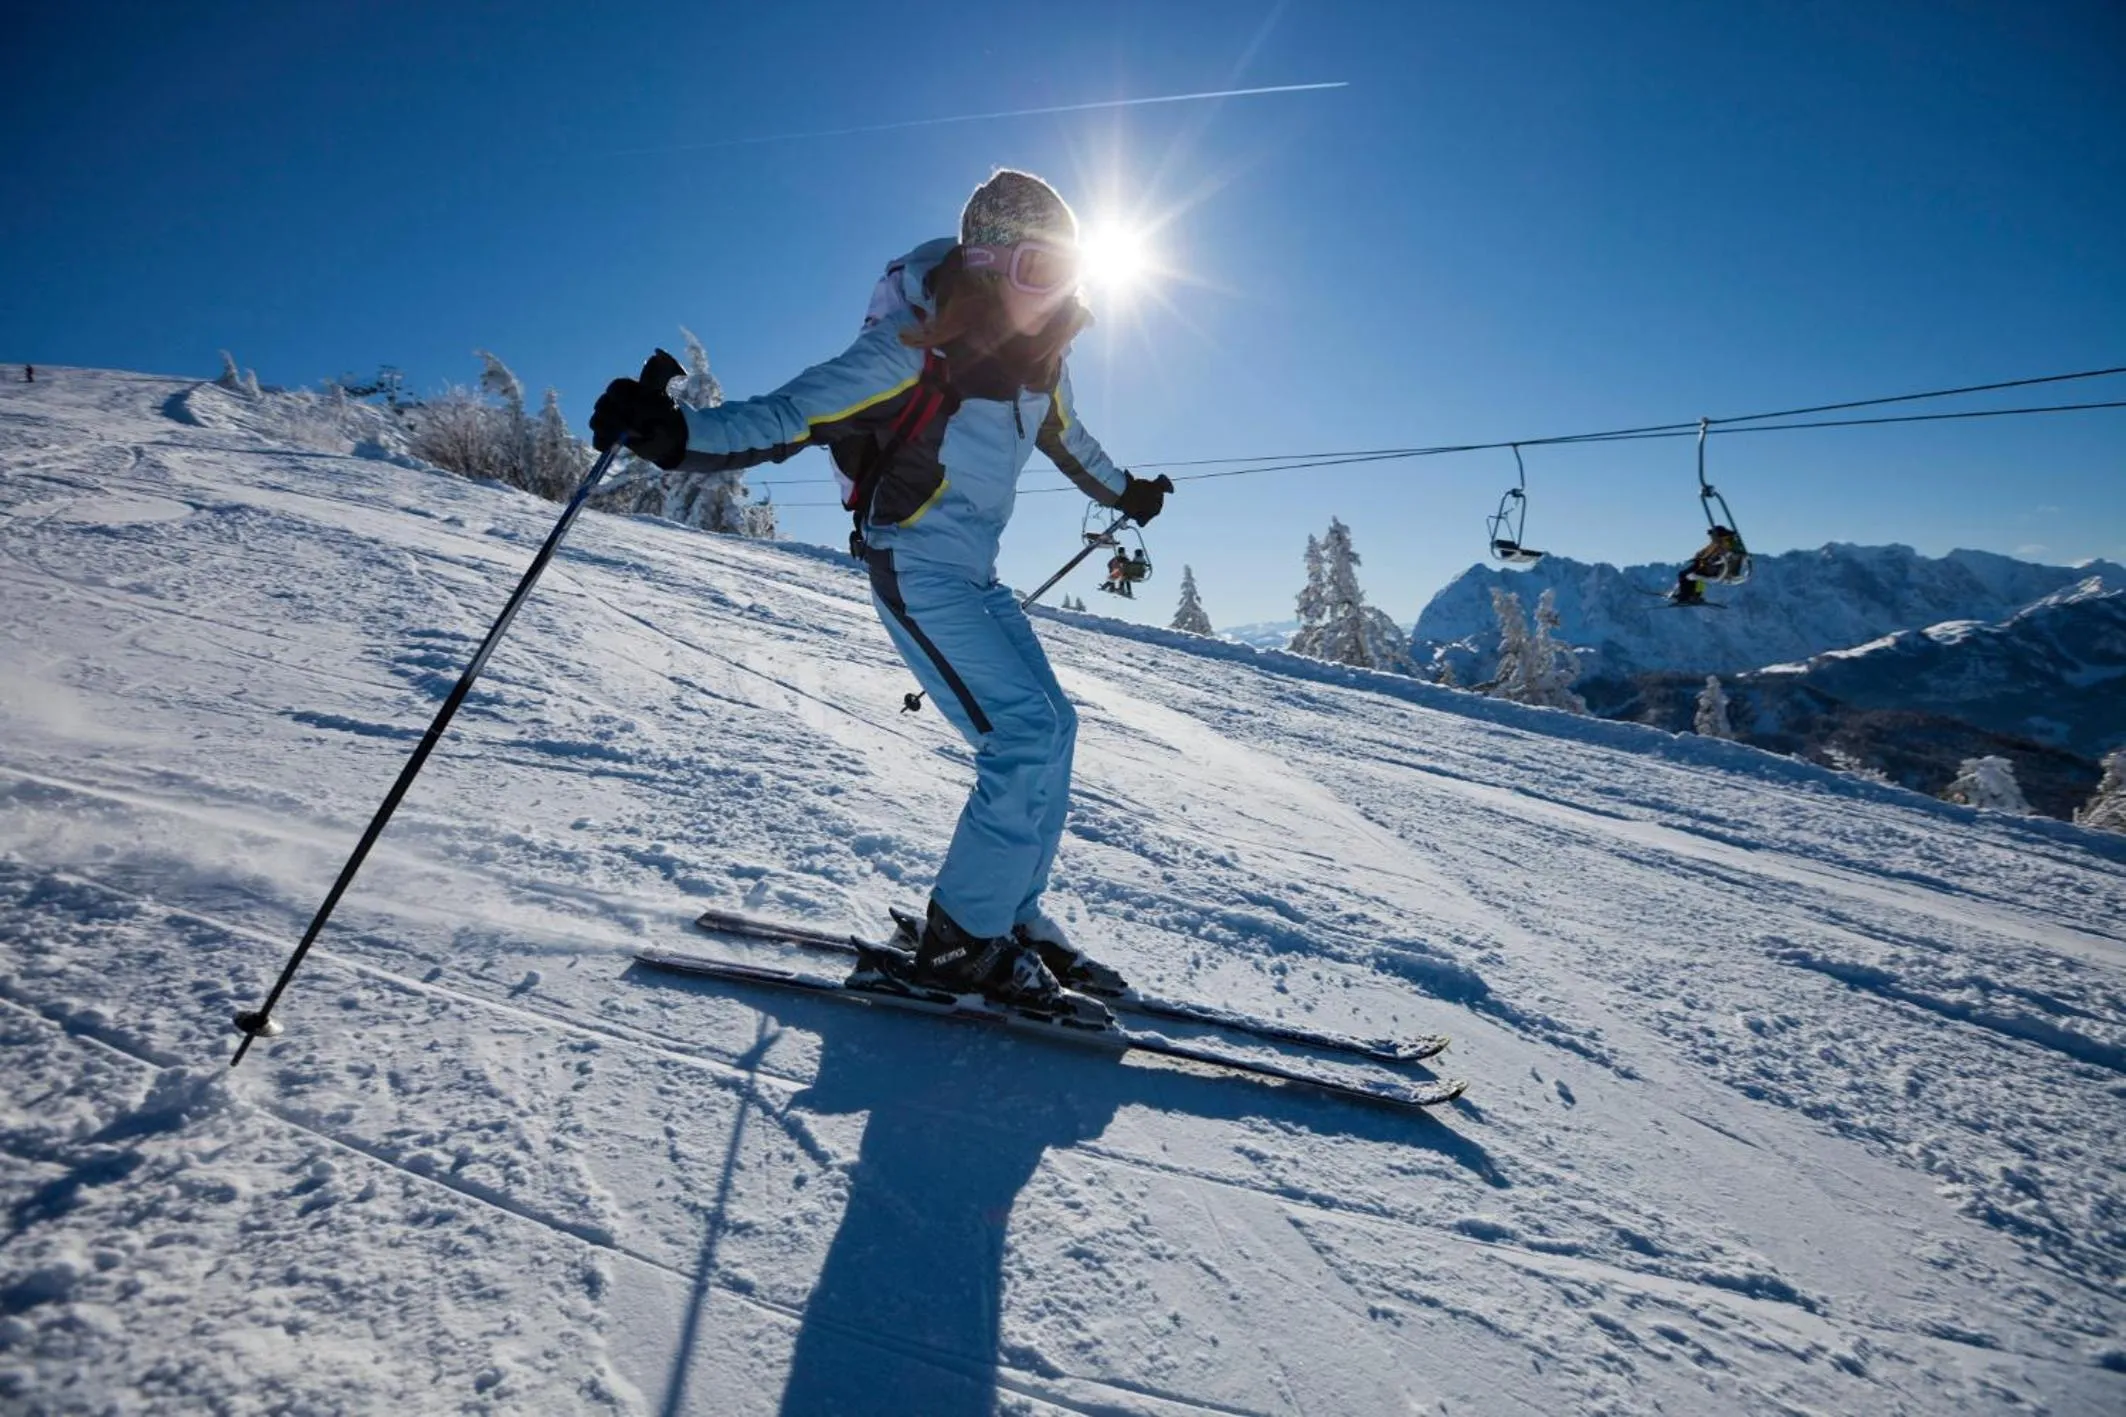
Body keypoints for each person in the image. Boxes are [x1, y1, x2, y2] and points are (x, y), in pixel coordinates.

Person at [591, 169, 1174, 1009]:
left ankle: (1008, 913)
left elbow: (1072, 441)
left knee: (1053, 726)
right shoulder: (913, 351)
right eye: (1038, 270)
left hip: (975, 572)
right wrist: (677, 436)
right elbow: (789, 414)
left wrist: (1128, 493)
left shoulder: (1041, 365)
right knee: (1019, 735)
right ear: (988, 265)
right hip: (915, 563)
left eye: (1069, 271)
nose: (1056, 292)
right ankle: (964, 943)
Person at [1673, 525, 1744, 605]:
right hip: (1708, 566)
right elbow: (1705, 551)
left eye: (1712, 535)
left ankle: (1686, 596)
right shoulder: (1719, 542)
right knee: (1689, 574)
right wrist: (1699, 556)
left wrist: (1706, 559)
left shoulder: (1723, 543)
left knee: (1687, 575)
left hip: (1713, 568)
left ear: (1718, 535)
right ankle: (1688, 595)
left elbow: (1720, 555)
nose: (1711, 537)